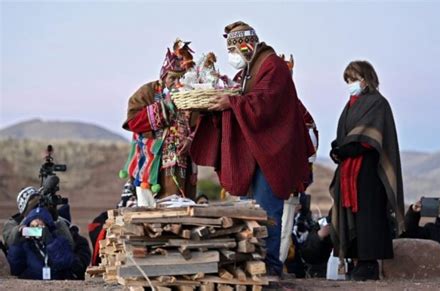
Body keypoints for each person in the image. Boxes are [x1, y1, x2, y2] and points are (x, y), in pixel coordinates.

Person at [190, 21, 315, 276]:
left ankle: (269, 266)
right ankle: (251, 263)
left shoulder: (273, 67)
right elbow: (243, 100)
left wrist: (232, 103)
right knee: (248, 211)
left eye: (234, 49)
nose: (232, 56)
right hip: (253, 154)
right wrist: (225, 104)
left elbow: (265, 103)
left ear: (247, 45)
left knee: (267, 211)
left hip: (272, 153)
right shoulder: (248, 71)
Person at [329, 60, 404, 281]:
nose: (351, 84)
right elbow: (346, 136)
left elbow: (370, 137)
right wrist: (338, 150)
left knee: (368, 216)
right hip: (348, 170)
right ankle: (354, 260)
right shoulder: (350, 104)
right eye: (348, 80)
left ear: (366, 79)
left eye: (354, 79)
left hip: (369, 170)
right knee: (350, 213)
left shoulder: (378, 103)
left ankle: (368, 263)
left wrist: (346, 149)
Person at [120, 38, 198, 207]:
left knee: (181, 204)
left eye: (182, 78)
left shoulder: (191, 95)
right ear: (163, 77)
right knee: (152, 207)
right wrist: (165, 108)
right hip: (152, 161)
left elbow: (199, 124)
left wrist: (191, 140)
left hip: (182, 162)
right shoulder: (148, 92)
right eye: (173, 78)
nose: (177, 83)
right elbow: (133, 122)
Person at [3, 187, 90, 280]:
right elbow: (15, 267)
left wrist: (50, 241)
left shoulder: (58, 230)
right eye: (33, 225)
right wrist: (19, 241)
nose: (37, 228)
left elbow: (68, 262)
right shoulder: (20, 235)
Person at [7, 207, 75, 280]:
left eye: (39, 226)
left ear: (47, 226)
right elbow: (15, 268)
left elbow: (65, 262)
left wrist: (50, 242)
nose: (35, 230)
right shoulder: (25, 245)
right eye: (32, 227)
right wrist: (17, 244)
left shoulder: (59, 240)